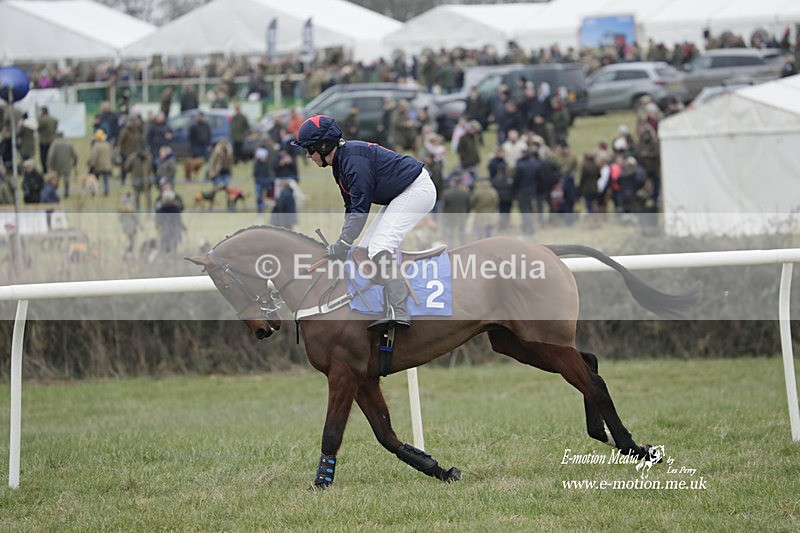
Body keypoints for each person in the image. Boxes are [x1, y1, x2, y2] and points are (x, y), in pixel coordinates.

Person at [292, 114, 436, 331]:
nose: (308, 155)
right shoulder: (340, 164)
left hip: (417, 190)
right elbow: (350, 208)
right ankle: (380, 305)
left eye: (309, 149)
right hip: (402, 193)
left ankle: (399, 310)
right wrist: (343, 242)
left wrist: (342, 243)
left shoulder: (352, 162)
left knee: (379, 248)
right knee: (366, 249)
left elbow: (360, 210)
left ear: (323, 146)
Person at [46, 132, 77, 198]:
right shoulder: (69, 143)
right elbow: (75, 155)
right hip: (67, 165)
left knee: (56, 179)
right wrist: (74, 163)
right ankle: (66, 193)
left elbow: (50, 155)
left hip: (56, 165)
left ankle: (56, 193)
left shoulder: (54, 144)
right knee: (66, 179)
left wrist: (49, 165)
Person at [88, 129, 114, 196]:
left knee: (95, 180)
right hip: (107, 166)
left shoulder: (96, 146)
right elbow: (111, 155)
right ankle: (106, 192)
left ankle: (94, 192)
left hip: (98, 167)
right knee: (106, 180)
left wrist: (91, 165)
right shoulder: (108, 145)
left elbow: (93, 157)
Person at [37, 106, 58, 172]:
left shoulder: (41, 120)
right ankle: (52, 168)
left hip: (44, 141)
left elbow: (38, 128)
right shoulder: (54, 119)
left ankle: (45, 169)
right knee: (52, 155)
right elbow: (55, 127)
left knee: (44, 156)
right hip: (52, 140)